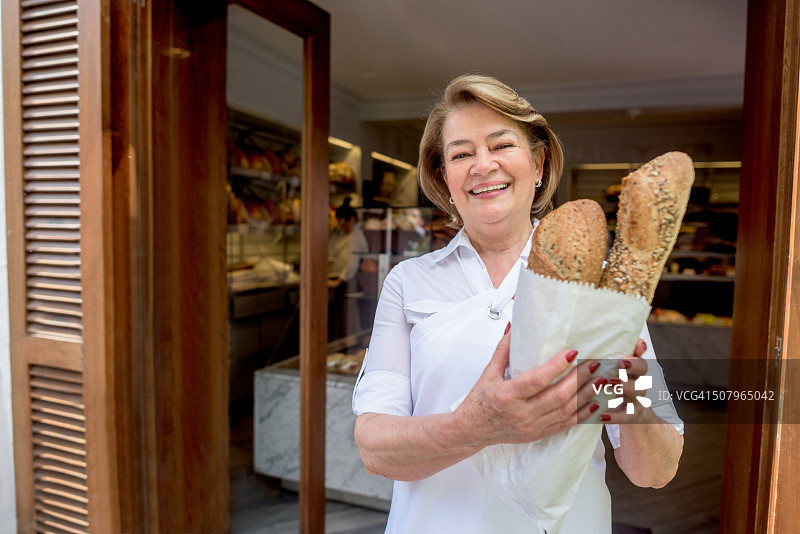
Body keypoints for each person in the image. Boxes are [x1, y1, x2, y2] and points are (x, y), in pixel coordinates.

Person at [352, 74, 684, 534]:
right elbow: (374, 449)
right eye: (461, 153)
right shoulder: (409, 282)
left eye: (501, 145)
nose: (482, 165)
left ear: (539, 161)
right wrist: (478, 426)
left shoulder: (603, 285)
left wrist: (632, 407)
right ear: (443, 175)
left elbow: (656, 471)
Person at [328, 198, 369, 338]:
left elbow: (352, 263)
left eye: (342, 224)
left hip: (355, 282)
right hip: (356, 282)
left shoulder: (355, 236)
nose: (342, 227)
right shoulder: (357, 233)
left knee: (351, 320)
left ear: (350, 219)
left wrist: (338, 281)